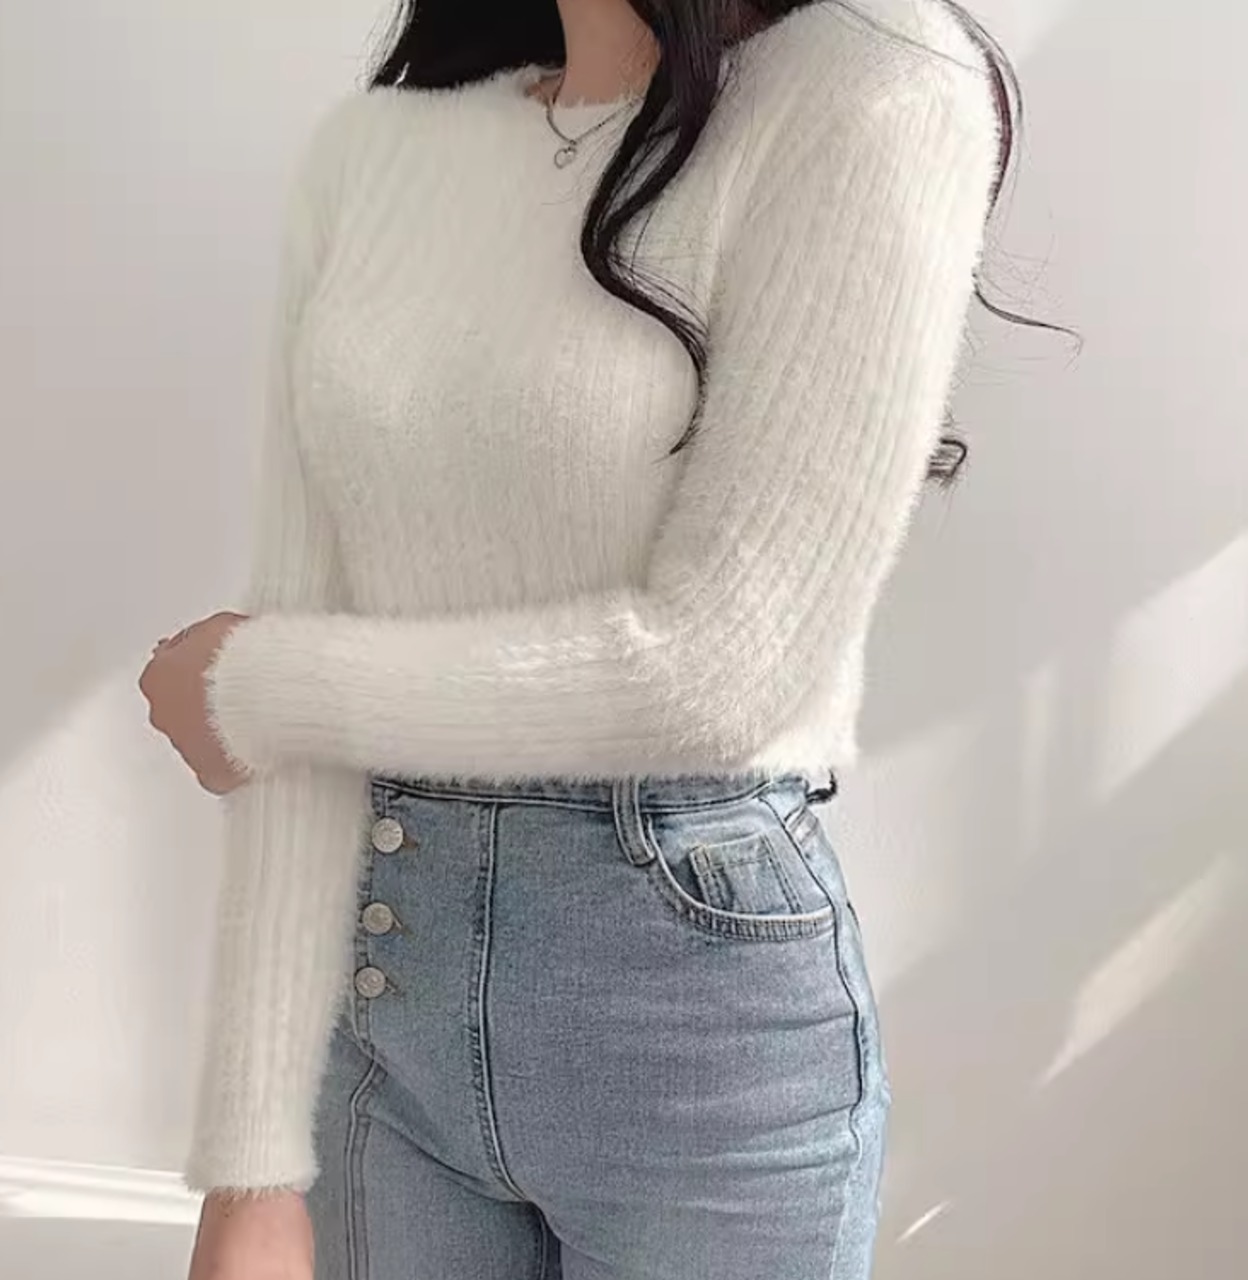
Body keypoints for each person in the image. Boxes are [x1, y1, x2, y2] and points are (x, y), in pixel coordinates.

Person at [138, 0, 1009, 1275]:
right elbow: (304, 625)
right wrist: (252, 1165)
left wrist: (259, 685)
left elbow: (719, 668)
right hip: (379, 1016)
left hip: (690, 1015)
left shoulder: (874, 79)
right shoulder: (374, 152)